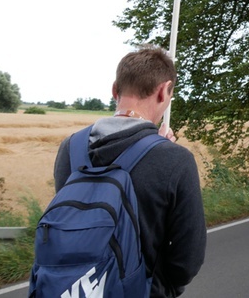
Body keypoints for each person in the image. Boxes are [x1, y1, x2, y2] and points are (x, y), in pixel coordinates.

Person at [53, 46, 206, 297]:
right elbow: (188, 259)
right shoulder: (176, 160)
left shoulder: (70, 148)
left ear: (115, 89)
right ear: (164, 91)